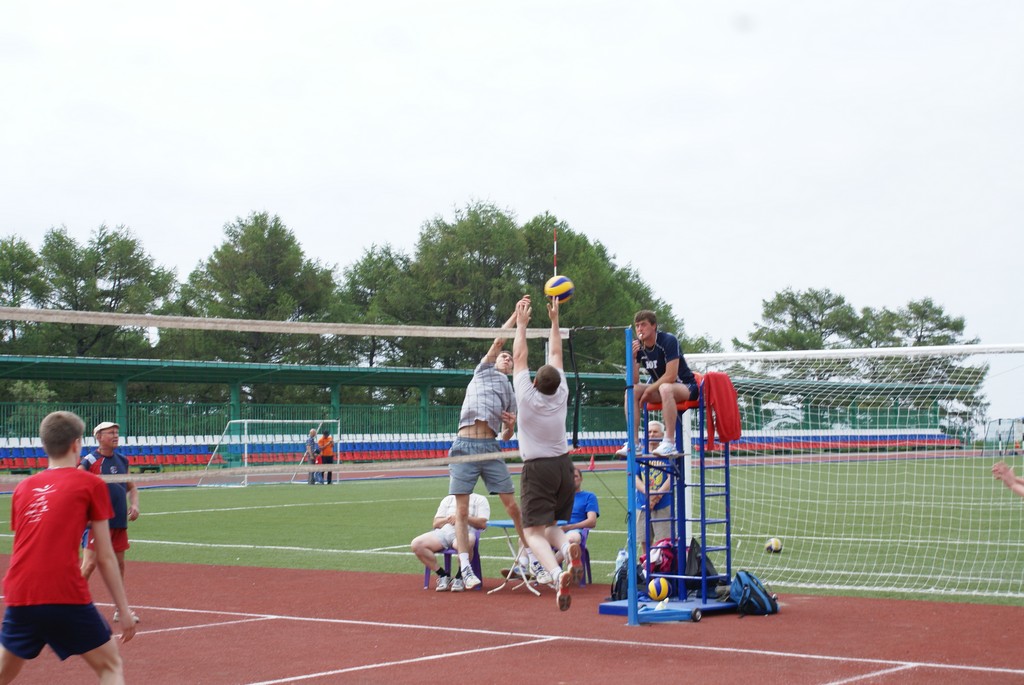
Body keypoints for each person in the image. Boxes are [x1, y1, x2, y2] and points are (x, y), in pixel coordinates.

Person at [0, 411, 135, 683]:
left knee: (5, 672)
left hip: (20, 593)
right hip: (63, 593)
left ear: (44, 446)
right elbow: (105, 556)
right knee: (110, 666)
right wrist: (125, 610)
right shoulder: (90, 483)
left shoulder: (23, 487)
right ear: (76, 444)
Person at [511, 294, 583, 611]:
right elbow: (555, 352)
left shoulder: (526, 396)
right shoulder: (562, 390)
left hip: (538, 468)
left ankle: (555, 575)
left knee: (531, 532)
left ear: (536, 381)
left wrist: (522, 324)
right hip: (564, 467)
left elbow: (519, 356)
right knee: (550, 524)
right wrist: (554, 321)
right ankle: (568, 549)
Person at [447, 308, 525, 591]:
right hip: (465, 444)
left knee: (513, 506)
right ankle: (465, 568)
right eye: (503, 356)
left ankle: (528, 556)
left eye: (509, 358)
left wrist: (511, 426)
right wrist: (515, 317)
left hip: (490, 447)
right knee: (462, 509)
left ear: (513, 366)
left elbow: (506, 436)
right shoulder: (483, 370)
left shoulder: (509, 391)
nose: (505, 357)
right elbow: (499, 341)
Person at [79, 421, 140, 625]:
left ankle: (119, 609)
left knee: (119, 565)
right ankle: (69, 605)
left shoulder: (122, 460)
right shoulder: (89, 461)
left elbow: (132, 487)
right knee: (88, 565)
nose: (115, 435)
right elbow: (76, 484)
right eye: (110, 433)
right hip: (98, 523)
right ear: (99, 437)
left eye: (116, 432)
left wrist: (135, 505)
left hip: (118, 523)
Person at [615, 310, 699, 459]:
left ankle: (669, 442)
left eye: (644, 325)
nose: (640, 329)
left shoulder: (668, 340)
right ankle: (634, 443)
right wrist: (633, 358)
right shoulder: (638, 346)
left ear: (654, 326)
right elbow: (633, 381)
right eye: (637, 326)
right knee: (631, 391)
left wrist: (648, 391)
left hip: (685, 386)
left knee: (665, 387)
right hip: (661, 388)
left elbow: (671, 376)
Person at [411, 493, 490, 592]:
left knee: (468, 541)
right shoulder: (448, 499)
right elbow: (436, 523)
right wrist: (448, 519)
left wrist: (462, 518)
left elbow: (483, 524)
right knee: (416, 544)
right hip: (444, 532)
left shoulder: (479, 499)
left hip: (466, 531)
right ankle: (443, 575)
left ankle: (460, 577)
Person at [635, 420, 673, 552]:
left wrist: (657, 495)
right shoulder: (640, 453)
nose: (651, 434)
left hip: (663, 504)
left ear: (662, 434)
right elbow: (635, 477)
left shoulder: (667, 453)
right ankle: (647, 569)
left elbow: (671, 477)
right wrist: (648, 493)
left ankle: (663, 572)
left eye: (655, 431)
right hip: (643, 503)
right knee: (645, 542)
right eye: (649, 432)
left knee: (664, 543)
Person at [555, 467, 599, 566]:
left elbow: (592, 521)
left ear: (581, 478)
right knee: (527, 538)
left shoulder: (589, 496)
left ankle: (548, 570)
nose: (573, 479)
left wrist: (569, 527)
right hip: (555, 529)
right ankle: (521, 568)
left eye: (575, 476)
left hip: (574, 531)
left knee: (570, 540)